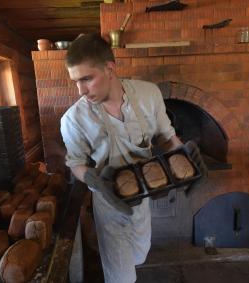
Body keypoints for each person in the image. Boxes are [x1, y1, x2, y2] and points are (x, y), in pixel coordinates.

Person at [60, 33, 205, 283]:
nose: (81, 91)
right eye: (75, 81)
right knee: (121, 277)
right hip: (109, 202)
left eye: (87, 79)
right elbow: (76, 164)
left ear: (110, 68)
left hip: (144, 195)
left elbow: (166, 137)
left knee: (139, 255)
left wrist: (186, 161)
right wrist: (94, 180)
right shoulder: (73, 120)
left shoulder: (148, 94)